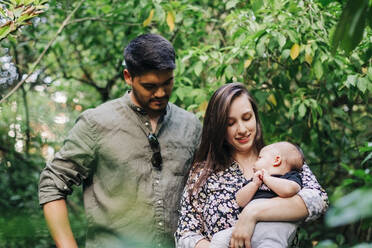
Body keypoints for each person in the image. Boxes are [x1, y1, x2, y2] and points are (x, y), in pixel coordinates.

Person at [38, 34, 202, 248]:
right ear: (128, 76)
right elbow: (52, 183)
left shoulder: (191, 125)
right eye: (150, 86)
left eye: (168, 82)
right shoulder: (95, 123)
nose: (161, 93)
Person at [175, 83, 328, 248]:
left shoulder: (281, 158)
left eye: (247, 118)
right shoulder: (203, 172)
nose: (241, 129)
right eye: (230, 123)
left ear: (255, 116)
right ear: (218, 127)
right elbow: (185, 233)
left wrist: (251, 213)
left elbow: (318, 200)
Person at [210, 141, 305, 248]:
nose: (255, 161)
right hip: (246, 228)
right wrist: (254, 184)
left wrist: (268, 179)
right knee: (219, 238)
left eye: (260, 157)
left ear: (277, 160)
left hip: (275, 227)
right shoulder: (255, 180)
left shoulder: (290, 176)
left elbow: (289, 190)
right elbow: (240, 201)